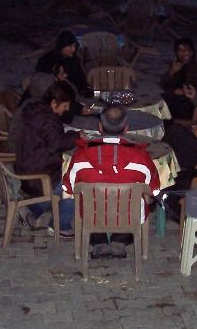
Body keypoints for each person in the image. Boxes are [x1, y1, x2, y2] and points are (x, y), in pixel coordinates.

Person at [62, 106, 161, 259]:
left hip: (92, 216)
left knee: (87, 202)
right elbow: (154, 188)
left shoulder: (80, 156)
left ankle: (99, 242)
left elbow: (68, 187)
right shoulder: (141, 158)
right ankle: (119, 241)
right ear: (126, 128)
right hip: (129, 217)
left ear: (100, 127)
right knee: (149, 201)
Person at [15, 81, 83, 238]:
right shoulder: (48, 120)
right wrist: (76, 135)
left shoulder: (36, 111)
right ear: (53, 103)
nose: (66, 109)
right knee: (72, 181)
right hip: (38, 175)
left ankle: (32, 209)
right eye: (65, 105)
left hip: (27, 166)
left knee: (67, 175)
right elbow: (56, 144)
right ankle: (61, 225)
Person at [160, 37, 197, 121]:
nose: (185, 53)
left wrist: (185, 91)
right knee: (160, 102)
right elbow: (164, 84)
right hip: (177, 98)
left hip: (194, 101)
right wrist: (171, 72)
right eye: (181, 50)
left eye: (188, 49)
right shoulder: (177, 64)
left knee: (172, 109)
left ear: (192, 51)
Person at [36, 30, 91, 97]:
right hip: (54, 96)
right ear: (62, 46)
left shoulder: (74, 60)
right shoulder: (46, 60)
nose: (73, 49)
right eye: (70, 46)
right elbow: (40, 82)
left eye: (74, 46)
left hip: (75, 95)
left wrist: (87, 90)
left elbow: (81, 81)